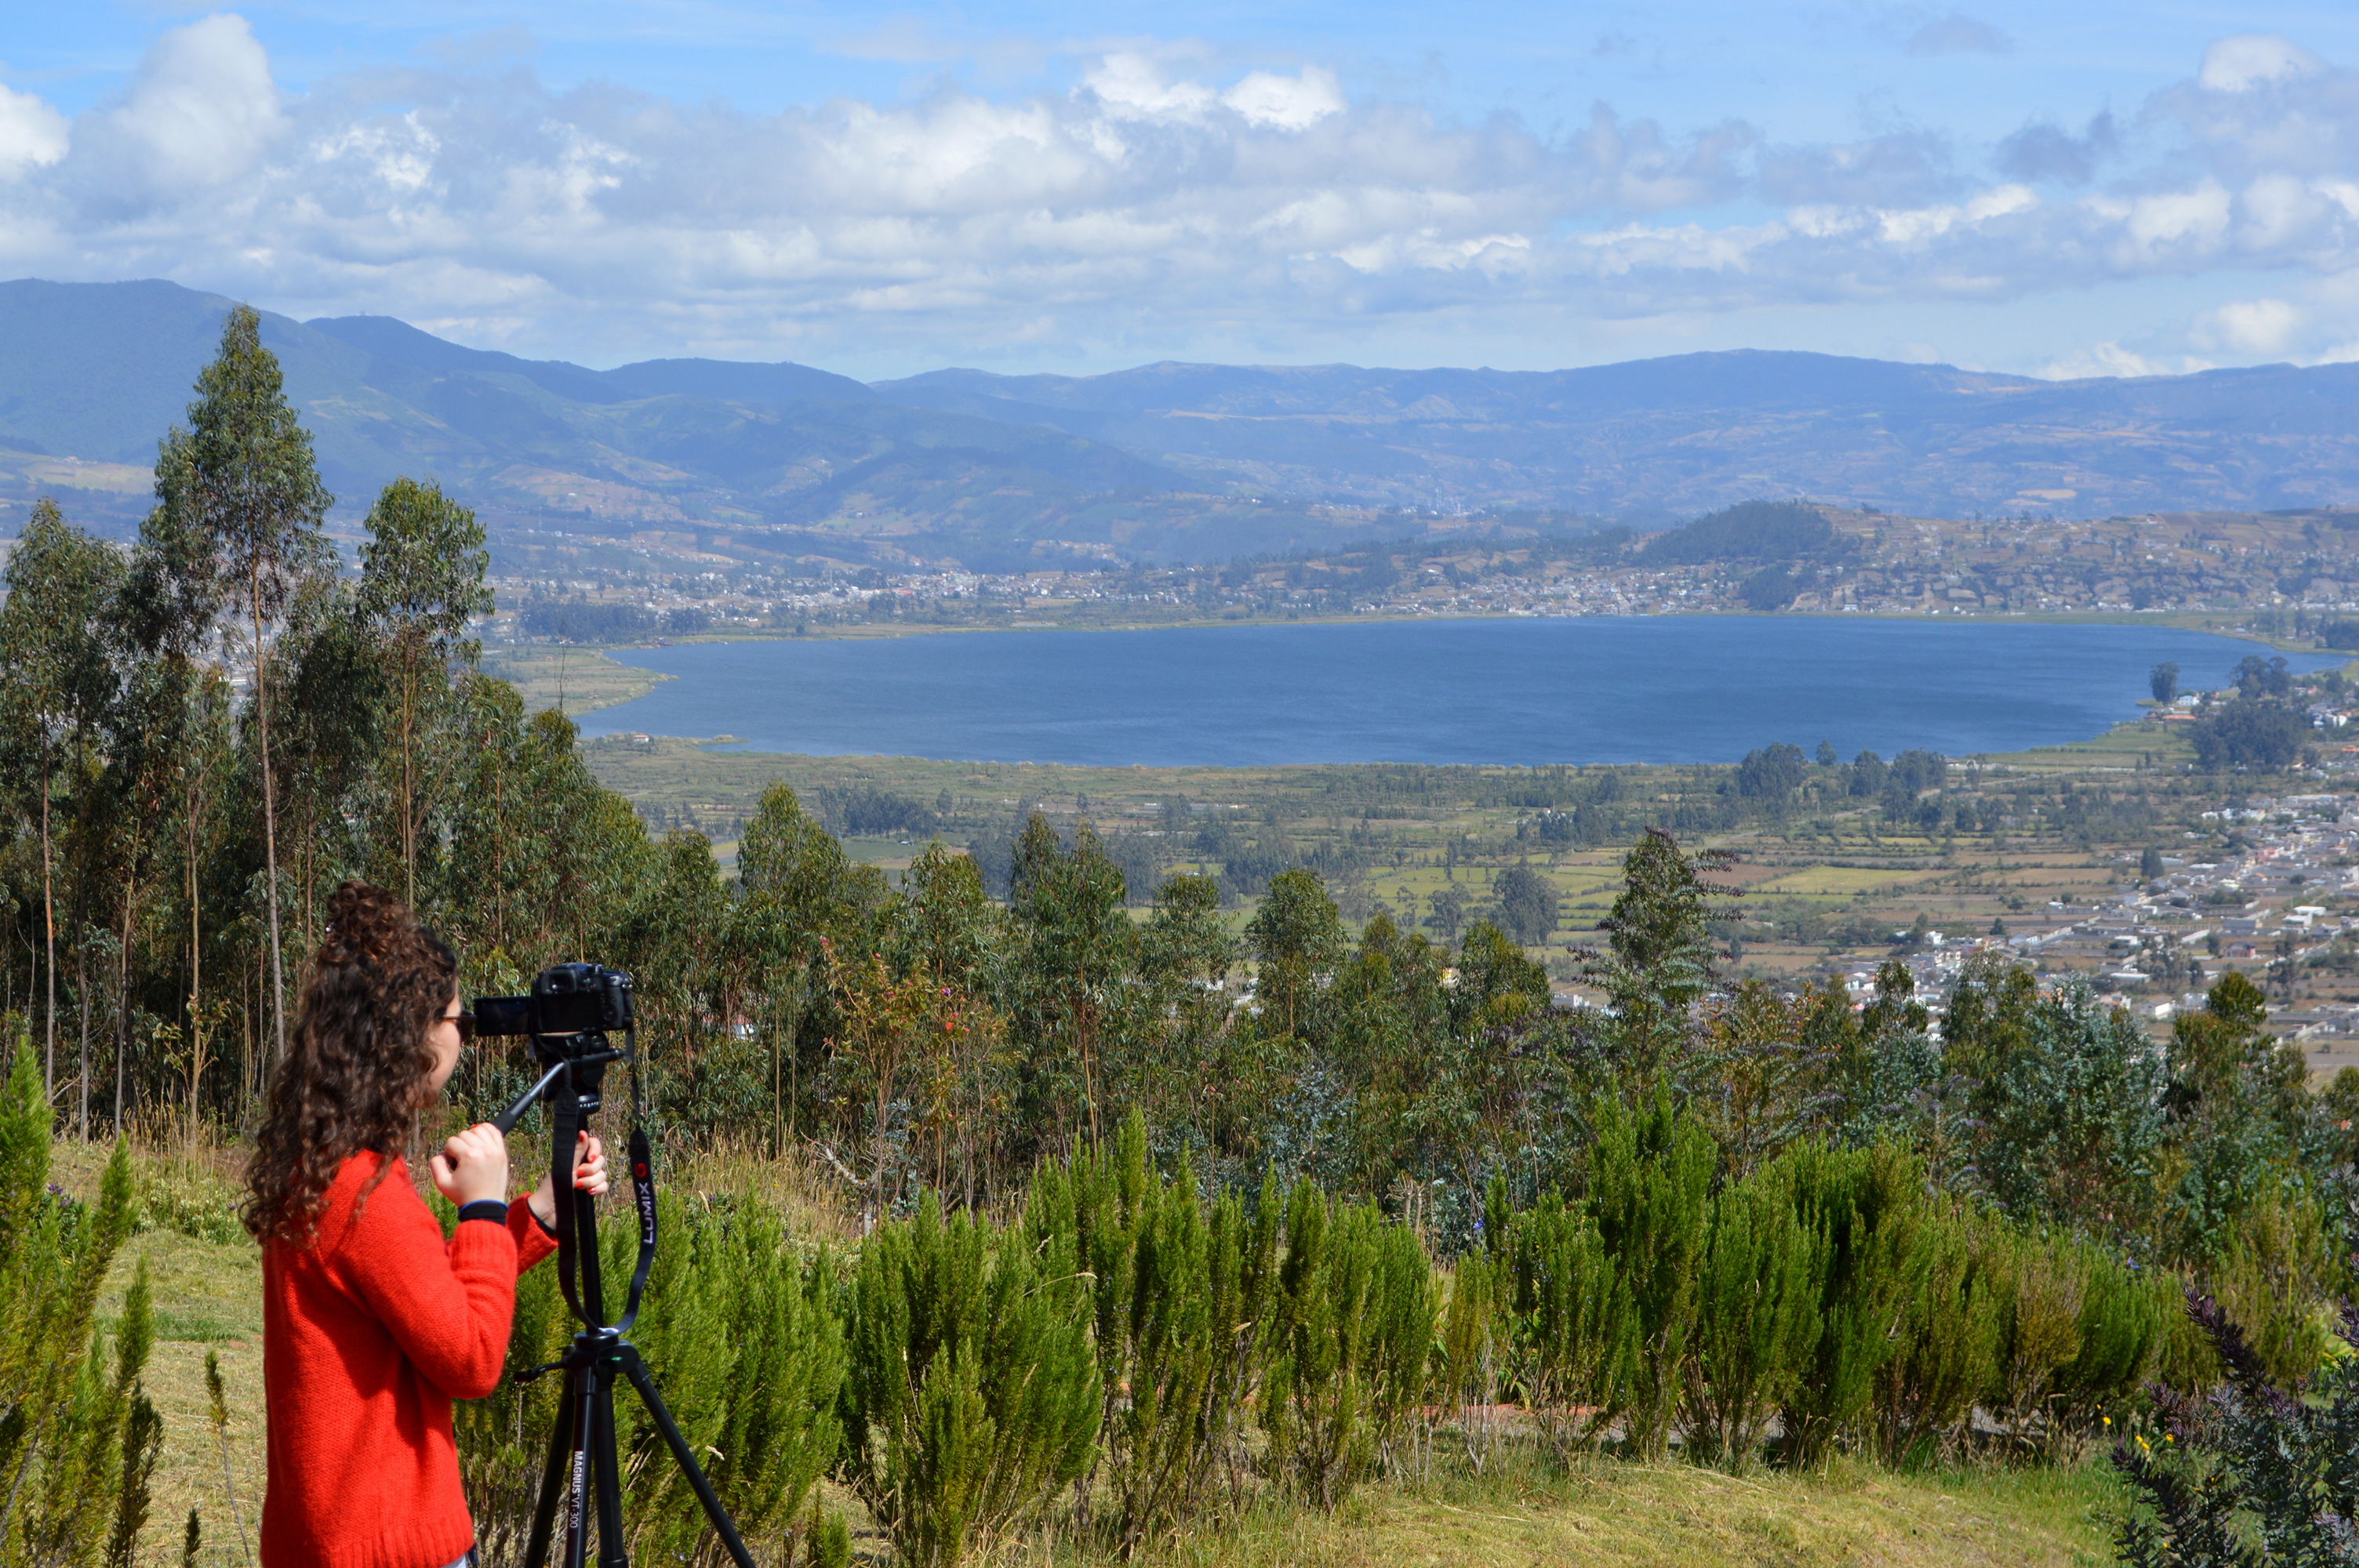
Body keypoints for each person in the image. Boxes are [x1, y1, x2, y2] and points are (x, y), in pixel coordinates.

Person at [244, 881, 608, 1568]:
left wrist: (538, 1214)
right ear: (413, 1037)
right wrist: (480, 1208)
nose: (463, 1039)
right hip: (390, 1547)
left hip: (322, 1541)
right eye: (459, 1024)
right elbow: (470, 1359)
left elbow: (409, 1291)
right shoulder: (365, 1192)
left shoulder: (324, 1168)